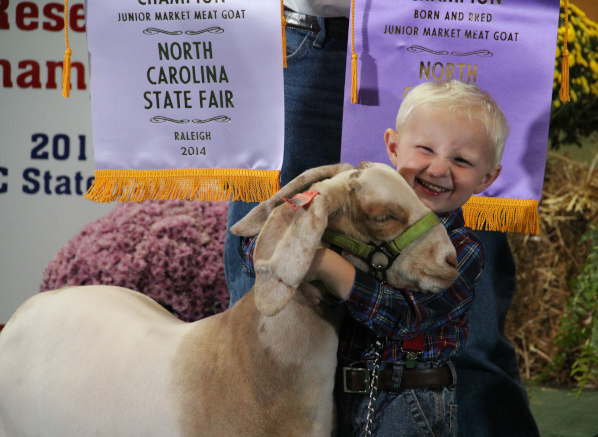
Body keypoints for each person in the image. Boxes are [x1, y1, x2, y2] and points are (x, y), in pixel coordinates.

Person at [224, 4, 541, 436]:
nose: (439, 169)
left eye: (462, 160)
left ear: (489, 178)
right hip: (308, 28)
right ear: (392, 147)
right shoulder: (353, 211)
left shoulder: (461, 248)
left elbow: (406, 314)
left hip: (455, 26)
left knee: (475, 351)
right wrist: (290, 236)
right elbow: (261, 253)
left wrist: (327, 267)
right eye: (425, 151)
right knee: (261, 322)